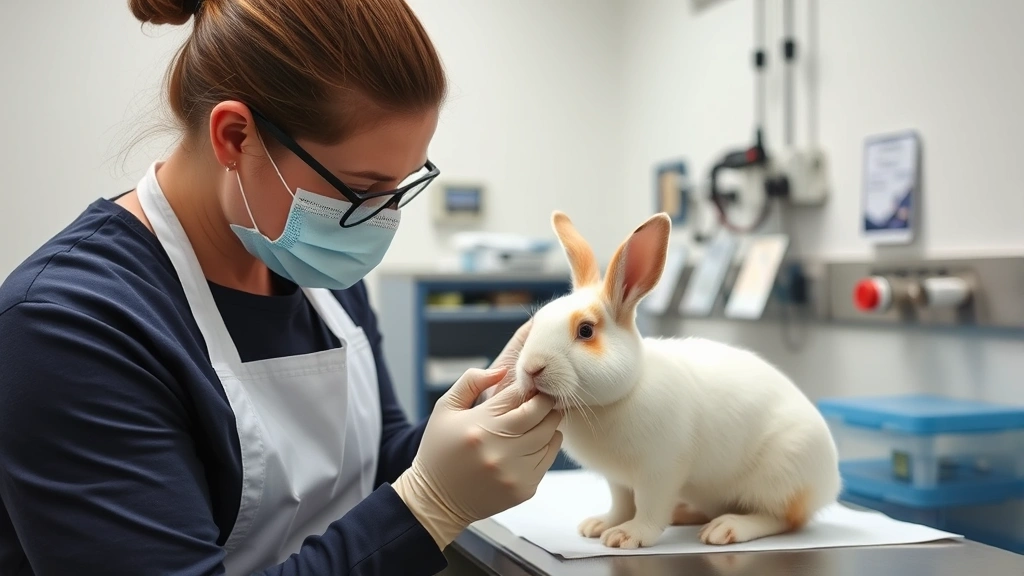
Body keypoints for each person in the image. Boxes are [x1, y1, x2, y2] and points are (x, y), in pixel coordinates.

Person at [0, 0, 564, 574]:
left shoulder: (318, 270)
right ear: (235, 136)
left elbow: (370, 463)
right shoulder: (67, 325)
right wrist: (428, 504)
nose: (379, 221)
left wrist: (491, 413)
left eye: (397, 188)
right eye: (357, 189)